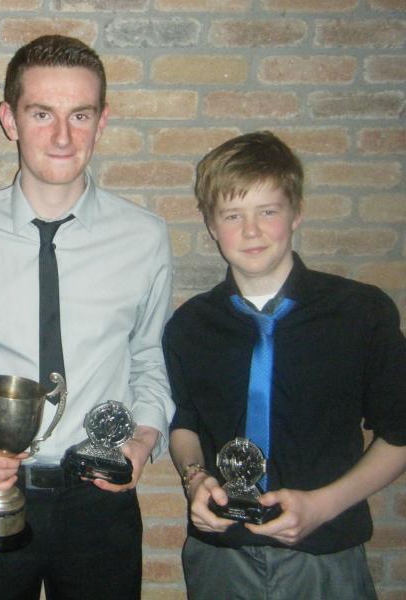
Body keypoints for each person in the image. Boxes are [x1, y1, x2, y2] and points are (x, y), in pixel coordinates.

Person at [0, 35, 174, 600]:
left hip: (100, 498)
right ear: (9, 119)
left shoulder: (145, 237)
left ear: (102, 121)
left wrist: (144, 438)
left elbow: (149, 355)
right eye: (41, 114)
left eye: (80, 115)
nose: (62, 136)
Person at [164, 131, 406, 599]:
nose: (251, 231)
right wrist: (195, 480)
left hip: (326, 553)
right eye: (233, 215)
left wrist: (323, 506)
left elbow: (400, 432)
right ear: (211, 225)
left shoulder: (360, 313)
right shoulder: (190, 325)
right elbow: (185, 423)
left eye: (268, 212)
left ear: (297, 213)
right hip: (220, 556)